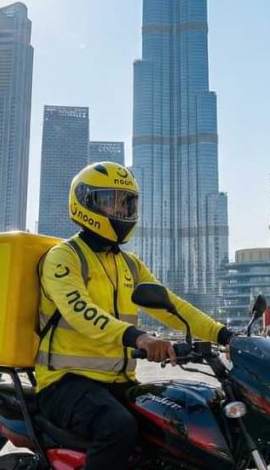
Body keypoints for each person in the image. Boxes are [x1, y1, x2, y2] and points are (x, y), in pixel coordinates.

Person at [36, 162, 233, 470]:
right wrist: (139, 337)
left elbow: (172, 306)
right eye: (111, 200)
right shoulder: (64, 257)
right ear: (86, 203)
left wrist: (224, 335)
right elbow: (79, 311)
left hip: (117, 382)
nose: (121, 209)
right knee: (118, 427)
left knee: (178, 420)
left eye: (127, 202)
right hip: (64, 383)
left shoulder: (130, 265)